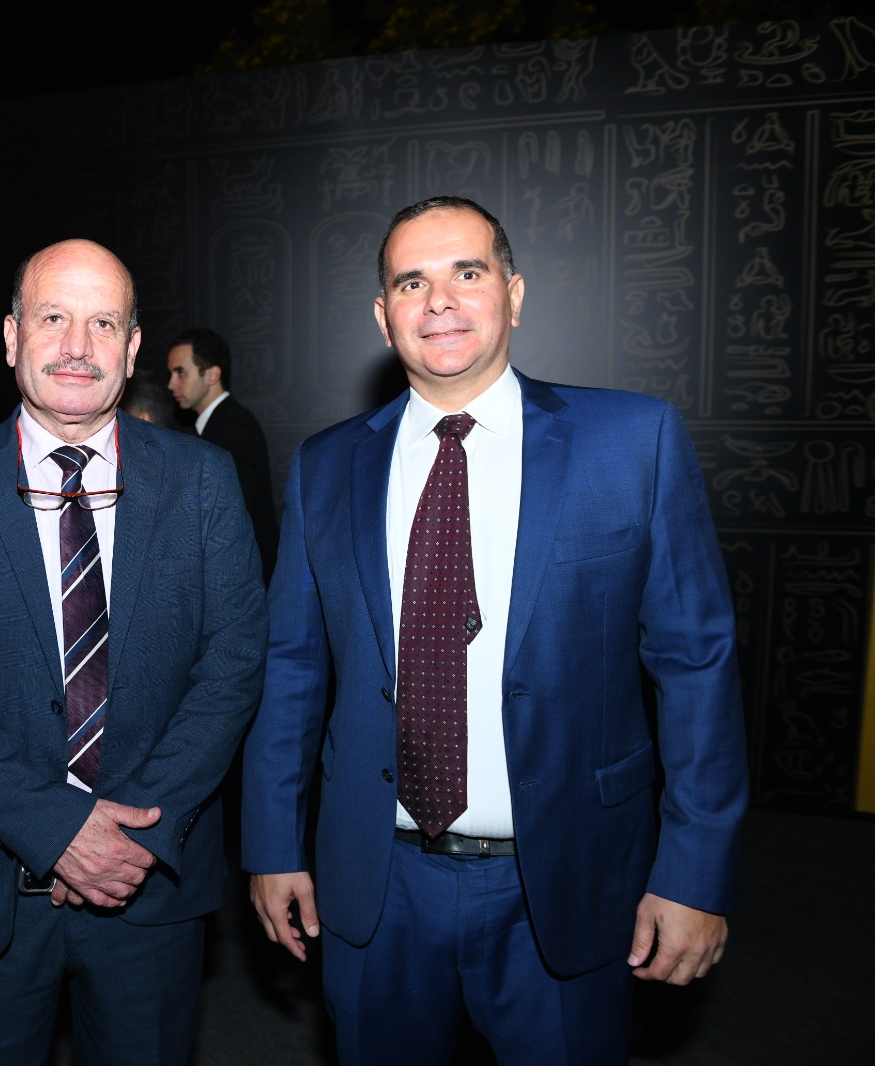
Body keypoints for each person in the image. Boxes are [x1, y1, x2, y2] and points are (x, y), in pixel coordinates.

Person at [241, 195, 748, 1065]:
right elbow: (291, 665)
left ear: (513, 294)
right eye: (412, 282)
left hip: (567, 879)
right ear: (383, 316)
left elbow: (696, 664)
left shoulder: (633, 441)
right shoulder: (326, 465)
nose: (439, 300)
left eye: (467, 273)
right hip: (377, 884)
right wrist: (272, 843)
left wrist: (695, 872)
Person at [0, 238, 267, 1066]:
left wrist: (129, 839)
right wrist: (57, 829)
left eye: (104, 323)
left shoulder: (204, 480)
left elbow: (233, 664)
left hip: (148, 884)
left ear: (132, 347)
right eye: (54, 318)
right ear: (12, 336)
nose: (77, 346)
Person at [166, 328, 278, 582]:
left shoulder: (232, 429)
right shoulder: (220, 424)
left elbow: (229, 518)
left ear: (212, 375)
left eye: (181, 372)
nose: (171, 383)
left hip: (238, 579)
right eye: (171, 373)